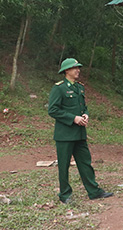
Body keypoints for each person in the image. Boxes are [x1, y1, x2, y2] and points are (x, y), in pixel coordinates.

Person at [48, 58, 113, 204]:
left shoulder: (80, 87)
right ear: (66, 71)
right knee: (64, 166)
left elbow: (83, 106)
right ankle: (65, 195)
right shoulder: (59, 88)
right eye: (74, 68)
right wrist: (73, 118)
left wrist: (85, 115)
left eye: (78, 67)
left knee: (85, 163)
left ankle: (94, 191)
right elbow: (52, 110)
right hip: (64, 135)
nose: (78, 70)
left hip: (79, 134)